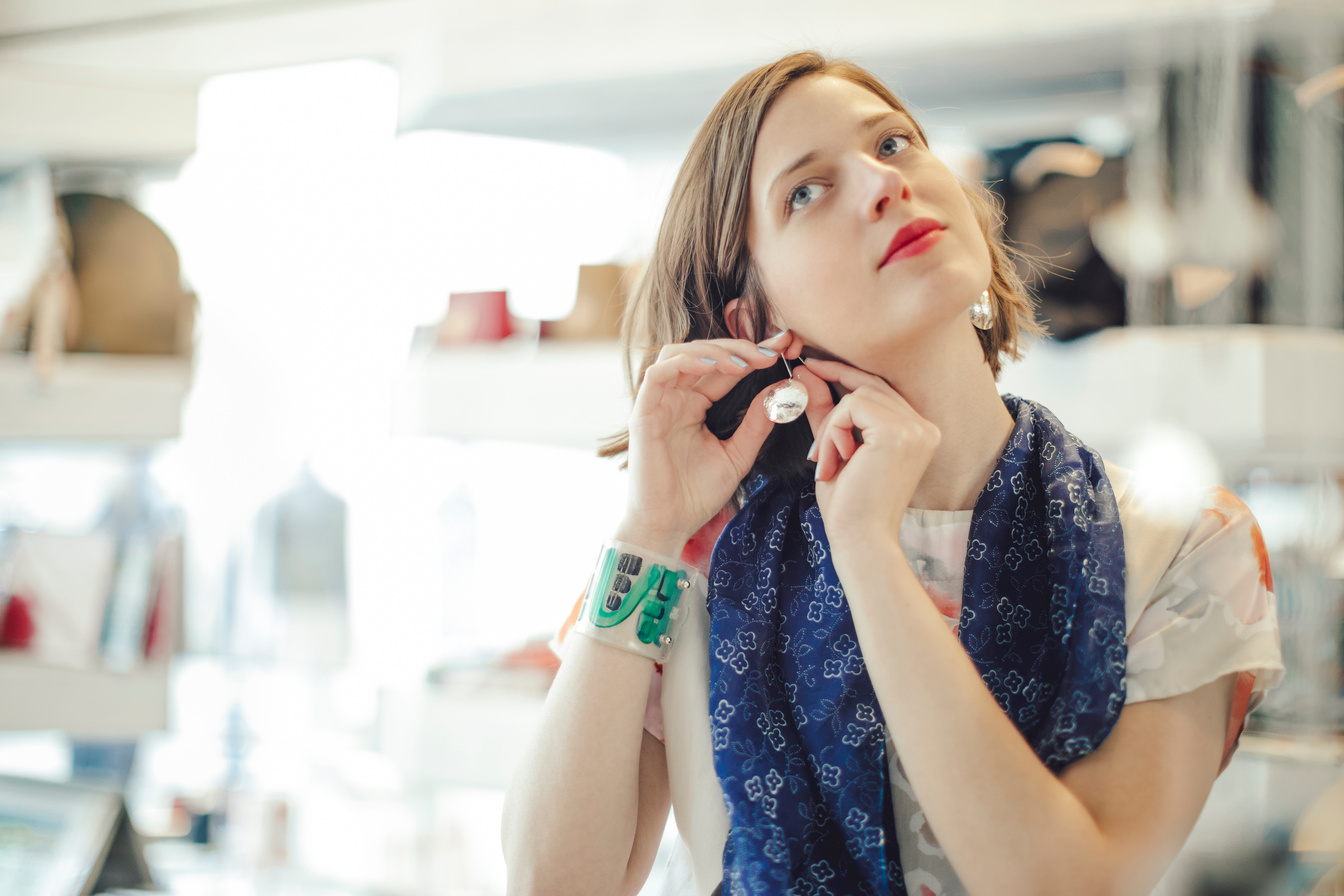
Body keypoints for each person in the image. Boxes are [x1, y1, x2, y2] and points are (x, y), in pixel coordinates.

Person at [500, 51, 1283, 896]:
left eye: (896, 143)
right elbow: (553, 881)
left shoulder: (1187, 544)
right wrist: (646, 528)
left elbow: (1067, 883)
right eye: (806, 190)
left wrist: (868, 550)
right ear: (757, 319)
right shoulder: (690, 559)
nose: (882, 184)